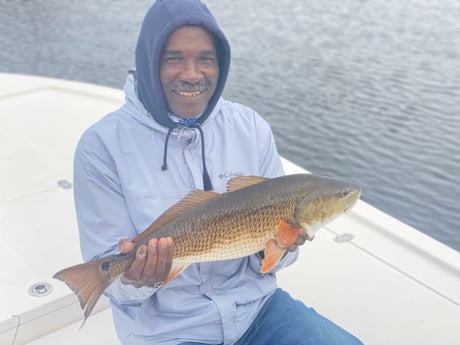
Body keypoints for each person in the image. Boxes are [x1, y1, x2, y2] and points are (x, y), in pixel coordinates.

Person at [73, 0, 363, 344]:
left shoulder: (250, 127)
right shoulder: (101, 146)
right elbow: (115, 285)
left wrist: (281, 245)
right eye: (174, 58)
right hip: (170, 332)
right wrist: (139, 277)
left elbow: (272, 262)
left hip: (257, 310)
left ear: (221, 63)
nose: (192, 74)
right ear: (149, 61)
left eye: (205, 59)